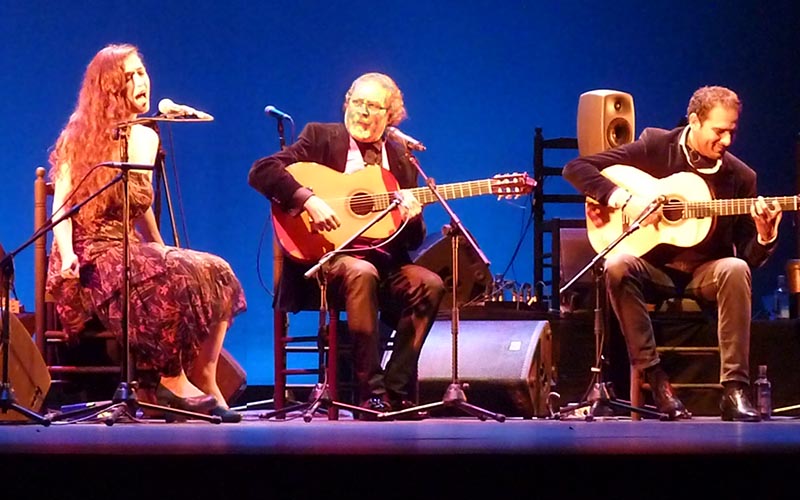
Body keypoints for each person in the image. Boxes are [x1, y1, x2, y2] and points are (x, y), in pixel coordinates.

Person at [46, 44, 247, 423]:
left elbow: (139, 204)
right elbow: (62, 205)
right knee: (160, 276)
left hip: (127, 245)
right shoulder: (80, 134)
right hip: (88, 252)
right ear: (109, 88)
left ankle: (204, 372)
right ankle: (171, 380)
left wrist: (161, 248)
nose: (142, 81)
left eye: (142, 72)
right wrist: (67, 251)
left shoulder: (148, 136)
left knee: (214, 270)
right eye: (130, 76)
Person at [562, 86, 782, 421]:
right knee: (617, 263)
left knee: (735, 269)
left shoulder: (741, 177)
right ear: (694, 121)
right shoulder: (657, 147)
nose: (726, 141)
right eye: (719, 131)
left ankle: (735, 390)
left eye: (732, 132)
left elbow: (749, 261)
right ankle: (656, 378)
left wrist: (765, 236)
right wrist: (622, 200)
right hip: (653, 270)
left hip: (705, 274)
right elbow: (577, 168)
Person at [248, 72, 445, 419]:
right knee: (360, 271)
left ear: (391, 116)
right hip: (326, 263)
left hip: (384, 266)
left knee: (429, 284)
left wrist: (412, 216)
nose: (363, 112)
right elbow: (261, 170)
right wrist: (306, 199)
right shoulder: (320, 137)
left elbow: (411, 242)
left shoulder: (401, 160)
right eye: (357, 102)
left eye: (373, 106)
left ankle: (396, 392)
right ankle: (369, 393)